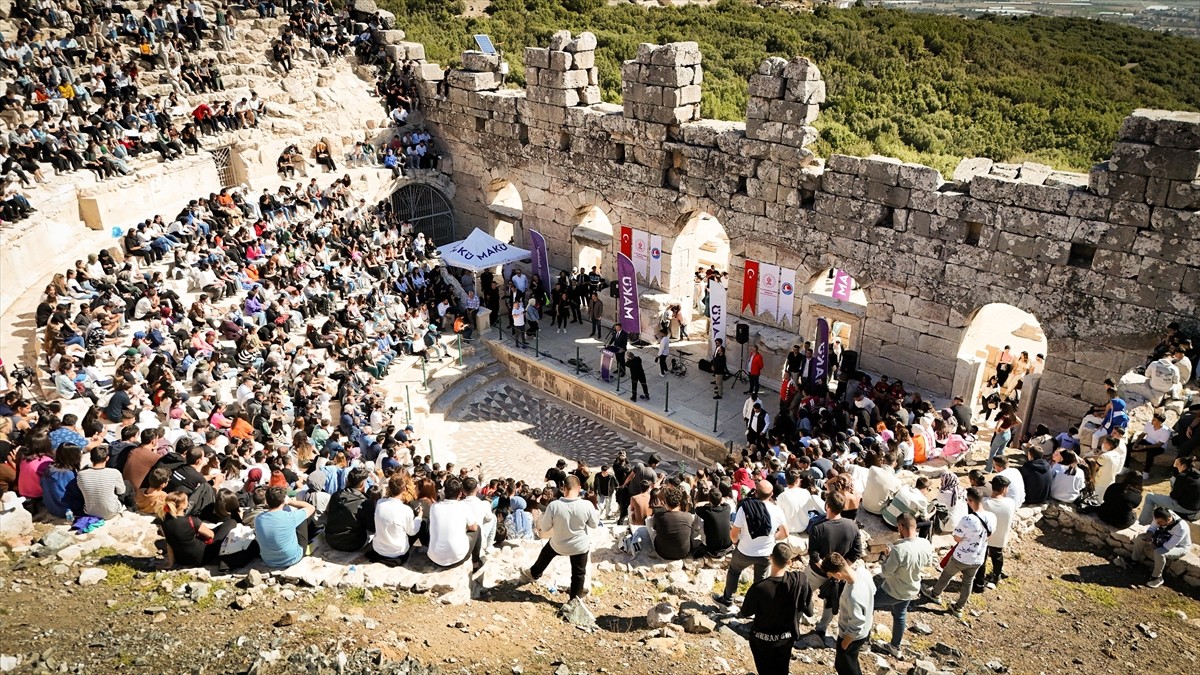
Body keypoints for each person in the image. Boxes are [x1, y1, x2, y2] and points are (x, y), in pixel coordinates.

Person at [521, 475, 598, 606]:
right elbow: (594, 524)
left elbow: (545, 527)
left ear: (563, 489)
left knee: (546, 551)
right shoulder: (587, 505)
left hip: (558, 545)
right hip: (579, 546)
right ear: (579, 488)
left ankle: (534, 573)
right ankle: (574, 600)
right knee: (579, 573)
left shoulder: (554, 505)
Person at [738, 542, 812, 675]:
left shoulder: (759, 588)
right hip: (785, 638)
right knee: (782, 670)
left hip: (762, 639)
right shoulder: (799, 581)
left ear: (770, 557)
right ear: (789, 562)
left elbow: (745, 612)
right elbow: (809, 610)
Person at [921, 488, 995, 619]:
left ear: (970, 501)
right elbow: (990, 534)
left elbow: (957, 538)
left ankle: (935, 594)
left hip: (961, 556)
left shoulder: (968, 519)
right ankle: (959, 608)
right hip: (978, 557)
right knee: (968, 582)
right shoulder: (992, 516)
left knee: (946, 575)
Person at [714, 480, 788, 607]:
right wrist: (773, 538)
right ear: (771, 495)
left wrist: (736, 542)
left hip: (744, 550)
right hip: (766, 553)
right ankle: (756, 606)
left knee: (734, 571)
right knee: (760, 580)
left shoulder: (745, 508)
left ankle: (727, 600)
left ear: (755, 492)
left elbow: (733, 533)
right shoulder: (777, 510)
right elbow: (785, 533)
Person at [872, 513, 935, 657]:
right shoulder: (925, 543)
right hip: (911, 589)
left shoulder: (899, 550)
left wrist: (887, 556)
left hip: (893, 590)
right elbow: (928, 563)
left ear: (901, 526)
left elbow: (886, 572)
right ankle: (895, 647)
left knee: (869, 604)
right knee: (900, 615)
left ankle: (863, 641)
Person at [804, 492, 864, 637]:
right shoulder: (852, 526)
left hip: (816, 572)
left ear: (827, 506)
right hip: (838, 575)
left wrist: (825, 568)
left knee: (803, 593)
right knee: (831, 601)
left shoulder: (818, 527)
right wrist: (840, 568)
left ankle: (804, 614)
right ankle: (822, 628)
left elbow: (813, 554)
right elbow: (856, 552)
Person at [824, 552, 874, 675]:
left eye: (832, 575)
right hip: (865, 630)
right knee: (850, 663)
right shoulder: (863, 572)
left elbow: (856, 625)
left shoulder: (853, 596)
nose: (832, 578)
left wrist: (844, 644)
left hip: (852, 637)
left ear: (839, 574)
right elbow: (873, 590)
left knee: (845, 668)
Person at [1127, 506, 1193, 588]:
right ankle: (1134, 560)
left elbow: (1168, 546)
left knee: (1159, 552)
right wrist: (1148, 536)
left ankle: (1157, 577)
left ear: (1168, 520)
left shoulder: (1181, 528)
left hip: (1179, 547)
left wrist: (1153, 541)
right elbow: (1152, 528)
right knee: (1140, 538)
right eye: (1157, 521)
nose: (1158, 524)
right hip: (1163, 537)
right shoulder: (1160, 515)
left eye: (1160, 523)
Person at [427, 476, 484, 571]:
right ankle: (475, 563)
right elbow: (473, 528)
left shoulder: (434, 507)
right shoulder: (463, 507)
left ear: (444, 491)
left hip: (434, 556)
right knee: (478, 529)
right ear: (460, 493)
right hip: (456, 557)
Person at [254, 486, 316, 569]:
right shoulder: (289, 517)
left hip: (268, 560)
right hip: (292, 558)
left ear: (267, 501)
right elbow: (311, 508)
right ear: (283, 500)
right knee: (302, 517)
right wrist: (290, 501)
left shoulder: (258, 518)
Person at [370, 472, 422, 565]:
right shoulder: (406, 510)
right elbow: (412, 532)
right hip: (398, 552)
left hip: (378, 549)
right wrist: (419, 517)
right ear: (404, 489)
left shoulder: (379, 503)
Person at [975, 475, 1015, 593]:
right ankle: (996, 575)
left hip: (985, 537)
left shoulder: (984, 502)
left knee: (982, 558)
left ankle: (979, 581)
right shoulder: (1010, 502)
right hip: (1000, 537)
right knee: (997, 556)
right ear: (1003, 489)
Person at [323, 467, 374, 552]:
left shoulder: (335, 495)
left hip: (331, 539)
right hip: (353, 544)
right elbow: (371, 527)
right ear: (362, 485)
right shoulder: (364, 502)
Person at [1138, 456, 1200, 524]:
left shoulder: (1182, 477)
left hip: (1185, 508)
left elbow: (1173, 496)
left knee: (1149, 497)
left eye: (1177, 466)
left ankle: (1143, 522)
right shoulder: (1197, 475)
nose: (1176, 468)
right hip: (1196, 509)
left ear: (1183, 466)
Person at [77, 445, 131, 520]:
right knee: (127, 484)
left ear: (90, 459)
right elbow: (121, 491)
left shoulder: (81, 475)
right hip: (111, 512)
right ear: (107, 458)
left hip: (89, 511)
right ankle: (132, 508)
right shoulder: (114, 473)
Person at [648, 485, 703, 561]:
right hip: (684, 552)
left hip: (662, 553)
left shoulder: (658, 516)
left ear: (665, 502)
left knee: (648, 521)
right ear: (679, 502)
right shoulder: (689, 516)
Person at [1129, 413, 1171, 479]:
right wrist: (1136, 443)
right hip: (1147, 442)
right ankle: (1125, 467)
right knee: (1129, 447)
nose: (1152, 421)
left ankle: (1146, 472)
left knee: (1150, 454)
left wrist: (1143, 447)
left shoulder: (1166, 431)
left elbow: (1159, 444)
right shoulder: (1149, 424)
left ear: (1159, 422)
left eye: (1154, 420)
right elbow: (1143, 434)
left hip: (1159, 447)